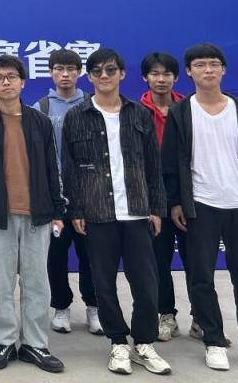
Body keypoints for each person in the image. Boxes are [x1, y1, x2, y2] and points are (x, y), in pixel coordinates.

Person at [162, 43, 238, 373]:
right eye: (200, 65)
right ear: (189, 72)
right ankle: (213, 341)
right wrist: (175, 202)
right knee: (201, 278)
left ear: (223, 70)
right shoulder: (180, 112)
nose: (208, 70)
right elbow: (171, 162)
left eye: (214, 64)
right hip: (201, 205)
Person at [61, 48, 171, 375]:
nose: (104, 76)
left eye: (111, 70)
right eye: (97, 71)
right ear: (89, 77)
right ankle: (118, 342)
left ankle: (144, 342)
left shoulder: (139, 114)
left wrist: (156, 208)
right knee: (103, 283)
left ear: (122, 73)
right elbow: (70, 169)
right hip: (97, 212)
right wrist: (76, 209)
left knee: (146, 284)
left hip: (137, 211)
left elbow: (153, 166)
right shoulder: (76, 116)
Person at [0, 55, 65, 373]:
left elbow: (52, 168)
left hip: (38, 213)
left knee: (37, 282)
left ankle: (35, 344)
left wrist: (58, 210)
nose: (6, 82)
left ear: (23, 82)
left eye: (11, 76)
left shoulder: (40, 122)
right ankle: (4, 342)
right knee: (0, 283)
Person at [33, 48, 100, 336]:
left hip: (89, 194)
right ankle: (61, 308)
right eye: (59, 69)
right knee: (56, 256)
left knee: (92, 255)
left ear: (79, 72)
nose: (65, 74)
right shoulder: (42, 107)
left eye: (71, 69)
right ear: (50, 72)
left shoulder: (91, 103)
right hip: (55, 197)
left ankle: (94, 307)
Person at [138, 52, 190, 342]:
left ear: (176, 77)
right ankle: (166, 315)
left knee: (196, 261)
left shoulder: (188, 108)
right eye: (155, 73)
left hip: (189, 197)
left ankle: (202, 317)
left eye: (166, 74)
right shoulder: (135, 111)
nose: (161, 79)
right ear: (145, 77)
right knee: (158, 262)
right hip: (152, 199)